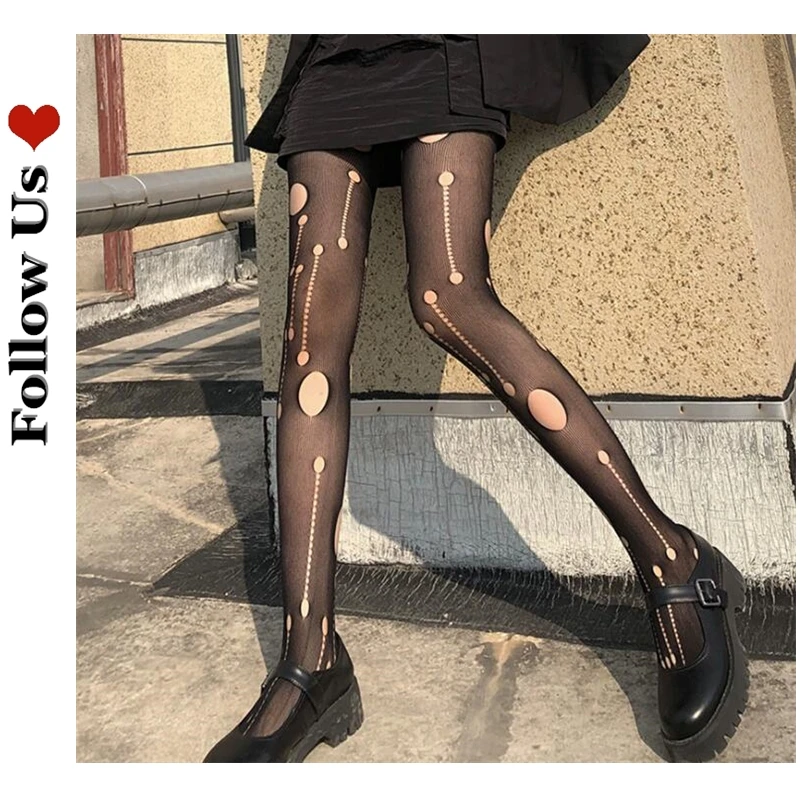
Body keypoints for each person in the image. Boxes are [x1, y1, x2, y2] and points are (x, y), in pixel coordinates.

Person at [203, 34, 748, 764]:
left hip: (441, 44)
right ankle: (311, 661)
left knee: (449, 299)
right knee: (308, 347)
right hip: (333, 58)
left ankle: (674, 559)